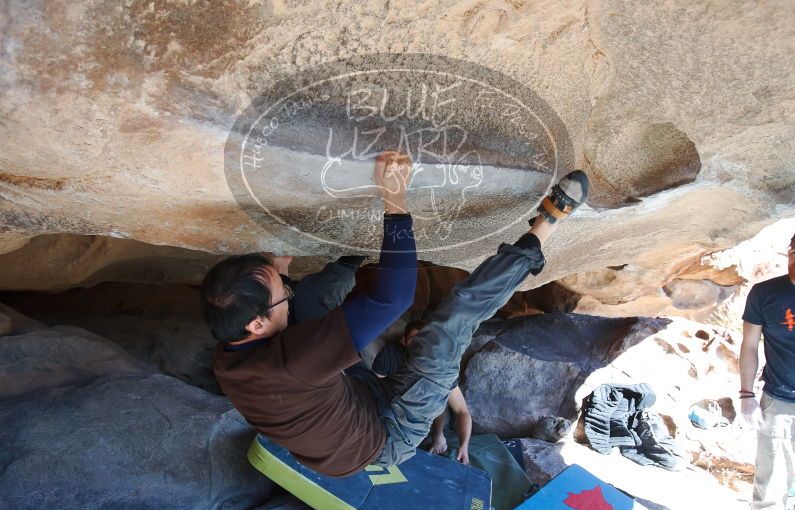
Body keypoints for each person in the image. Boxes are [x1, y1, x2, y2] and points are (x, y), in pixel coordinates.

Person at [201, 149, 589, 477]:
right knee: (450, 323)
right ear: (255, 323)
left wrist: (279, 274)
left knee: (308, 302)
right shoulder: (292, 362)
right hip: (388, 432)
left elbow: (288, 330)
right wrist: (394, 198)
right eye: (280, 291)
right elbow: (394, 297)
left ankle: (352, 252)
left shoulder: (230, 351)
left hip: (346, 403)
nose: (286, 287)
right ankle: (545, 226)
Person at [740, 231, 795, 510]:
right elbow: (749, 346)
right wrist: (747, 396)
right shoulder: (765, 294)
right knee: (771, 481)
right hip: (781, 401)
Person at [372, 320, 473, 464]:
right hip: (390, 408)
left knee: (437, 397)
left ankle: (438, 436)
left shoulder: (440, 368)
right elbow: (375, 386)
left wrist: (464, 446)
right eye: (414, 339)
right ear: (404, 341)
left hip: (421, 418)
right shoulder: (392, 354)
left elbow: (463, 411)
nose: (420, 345)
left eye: (424, 340)